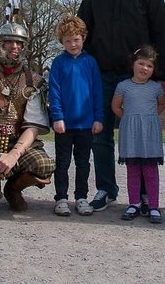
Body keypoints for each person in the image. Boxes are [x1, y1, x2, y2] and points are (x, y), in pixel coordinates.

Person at [78, 0, 165, 212]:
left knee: (141, 136)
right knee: (100, 136)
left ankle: (143, 195)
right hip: (102, 75)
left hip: (139, 79)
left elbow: (161, 34)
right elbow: (82, 31)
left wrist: (162, 76)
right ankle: (106, 188)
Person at [0, 10, 56, 213]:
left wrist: (13, 154)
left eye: (19, 43)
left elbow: (33, 126)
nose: (15, 47)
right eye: (9, 42)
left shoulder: (33, 81)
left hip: (17, 142)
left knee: (43, 164)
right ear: (0, 43)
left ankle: (13, 189)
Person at [48, 15, 103, 216]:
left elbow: (97, 91)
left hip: (86, 123)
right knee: (62, 162)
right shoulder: (58, 63)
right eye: (68, 40)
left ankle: (81, 197)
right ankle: (61, 198)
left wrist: (99, 117)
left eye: (76, 39)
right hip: (64, 123)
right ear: (62, 42)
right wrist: (57, 117)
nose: (72, 44)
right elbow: (54, 91)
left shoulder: (90, 62)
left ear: (83, 38)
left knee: (83, 162)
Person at [112, 45, 165, 224]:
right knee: (133, 170)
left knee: (151, 171)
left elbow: (161, 105)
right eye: (141, 63)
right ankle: (133, 203)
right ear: (133, 64)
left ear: (153, 70)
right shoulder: (123, 86)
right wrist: (129, 118)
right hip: (131, 133)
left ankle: (153, 205)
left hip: (149, 133)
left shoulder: (156, 88)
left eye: (149, 66)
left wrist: (148, 119)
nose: (145, 68)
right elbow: (115, 106)